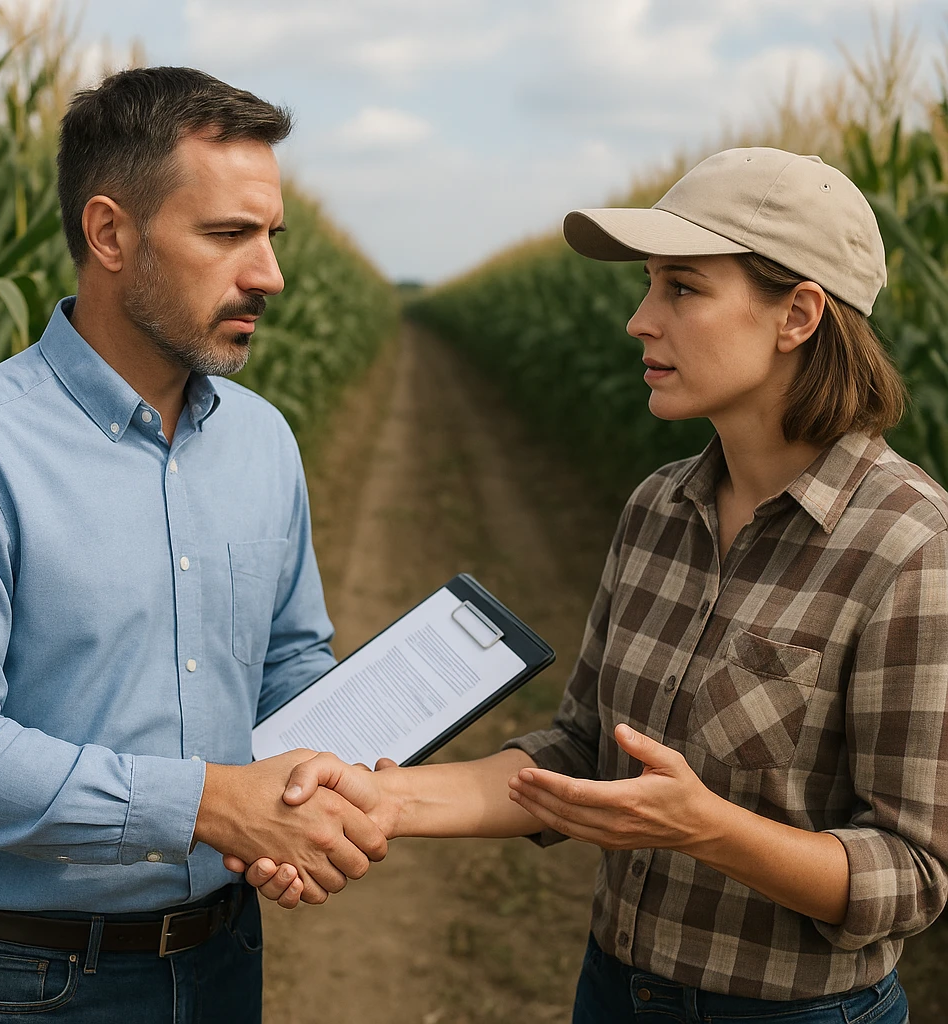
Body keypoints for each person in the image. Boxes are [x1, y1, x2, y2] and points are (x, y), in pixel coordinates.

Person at [242, 148, 947, 1022]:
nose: (640, 320)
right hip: (614, 989)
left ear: (797, 313)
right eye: (648, 285)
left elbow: (912, 876)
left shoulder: (910, 546)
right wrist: (375, 797)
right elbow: (580, 754)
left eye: (682, 288)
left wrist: (708, 829)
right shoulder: (659, 507)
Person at [0, 67, 387, 1022]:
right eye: (227, 235)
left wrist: (304, 799)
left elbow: (291, 659)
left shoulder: (264, 439)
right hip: (16, 980)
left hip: (223, 957)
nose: (269, 273)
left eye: (271, 236)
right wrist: (212, 804)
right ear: (109, 234)